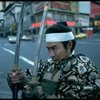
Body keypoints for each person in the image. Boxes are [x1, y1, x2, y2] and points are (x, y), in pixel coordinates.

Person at [7, 22, 100, 99]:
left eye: (54, 48)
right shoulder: (46, 64)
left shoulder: (84, 64)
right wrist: (21, 79)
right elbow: (31, 82)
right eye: (48, 49)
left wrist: (42, 96)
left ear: (69, 45)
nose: (51, 54)